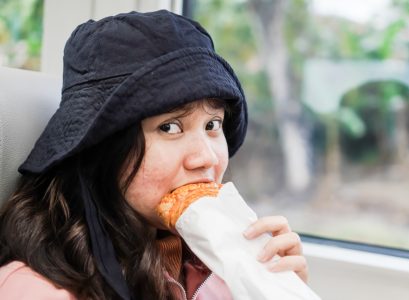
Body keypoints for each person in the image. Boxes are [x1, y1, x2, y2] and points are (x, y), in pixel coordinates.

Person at [0, 10, 308, 299]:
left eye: (212, 124)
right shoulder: (34, 290)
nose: (207, 158)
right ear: (104, 149)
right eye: (170, 127)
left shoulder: (223, 269)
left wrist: (276, 287)